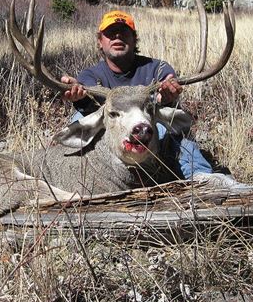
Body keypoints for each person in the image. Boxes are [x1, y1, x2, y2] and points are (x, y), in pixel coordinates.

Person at [60, 9, 213, 179]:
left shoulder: (157, 68)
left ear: (134, 39)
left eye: (124, 32)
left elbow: (168, 82)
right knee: (79, 119)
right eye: (110, 33)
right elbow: (88, 101)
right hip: (112, 138)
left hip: (150, 134)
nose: (117, 36)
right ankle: (79, 177)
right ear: (100, 41)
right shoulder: (90, 75)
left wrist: (168, 95)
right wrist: (79, 96)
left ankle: (201, 177)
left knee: (171, 129)